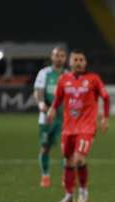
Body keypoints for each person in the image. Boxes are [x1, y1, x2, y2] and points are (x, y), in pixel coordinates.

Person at [46, 49, 110, 202]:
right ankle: (68, 195)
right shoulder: (64, 79)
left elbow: (106, 97)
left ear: (85, 62)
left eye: (81, 60)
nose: (79, 62)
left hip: (86, 128)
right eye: (76, 60)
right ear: (70, 62)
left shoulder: (93, 79)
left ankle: (83, 191)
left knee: (79, 159)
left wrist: (105, 117)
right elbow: (58, 98)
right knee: (68, 161)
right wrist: (53, 109)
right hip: (68, 128)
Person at [34, 46, 67, 187]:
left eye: (61, 56)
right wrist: (41, 104)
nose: (59, 58)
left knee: (67, 149)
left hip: (64, 119)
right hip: (46, 119)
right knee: (45, 147)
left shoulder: (68, 75)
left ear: (65, 58)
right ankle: (45, 176)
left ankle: (66, 177)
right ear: (52, 57)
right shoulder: (44, 73)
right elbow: (38, 91)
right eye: (56, 55)